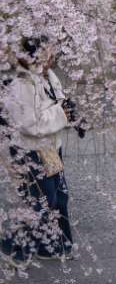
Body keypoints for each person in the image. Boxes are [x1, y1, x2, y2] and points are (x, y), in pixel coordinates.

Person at [1, 37, 74, 266]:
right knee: (41, 201)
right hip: (30, 150)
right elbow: (31, 124)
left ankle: (53, 246)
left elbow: (58, 101)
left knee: (59, 196)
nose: (50, 58)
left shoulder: (44, 75)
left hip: (50, 147)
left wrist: (66, 110)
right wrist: (61, 114)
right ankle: (12, 247)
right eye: (46, 53)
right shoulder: (21, 83)